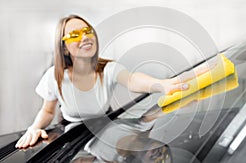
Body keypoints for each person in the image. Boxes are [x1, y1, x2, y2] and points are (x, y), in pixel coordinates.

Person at [15, 15, 209, 149]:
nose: (85, 38)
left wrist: (163, 84)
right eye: (75, 35)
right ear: (64, 48)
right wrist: (34, 128)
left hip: (106, 130)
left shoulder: (108, 69)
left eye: (87, 31)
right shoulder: (54, 76)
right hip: (71, 134)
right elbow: (48, 111)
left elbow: (133, 80)